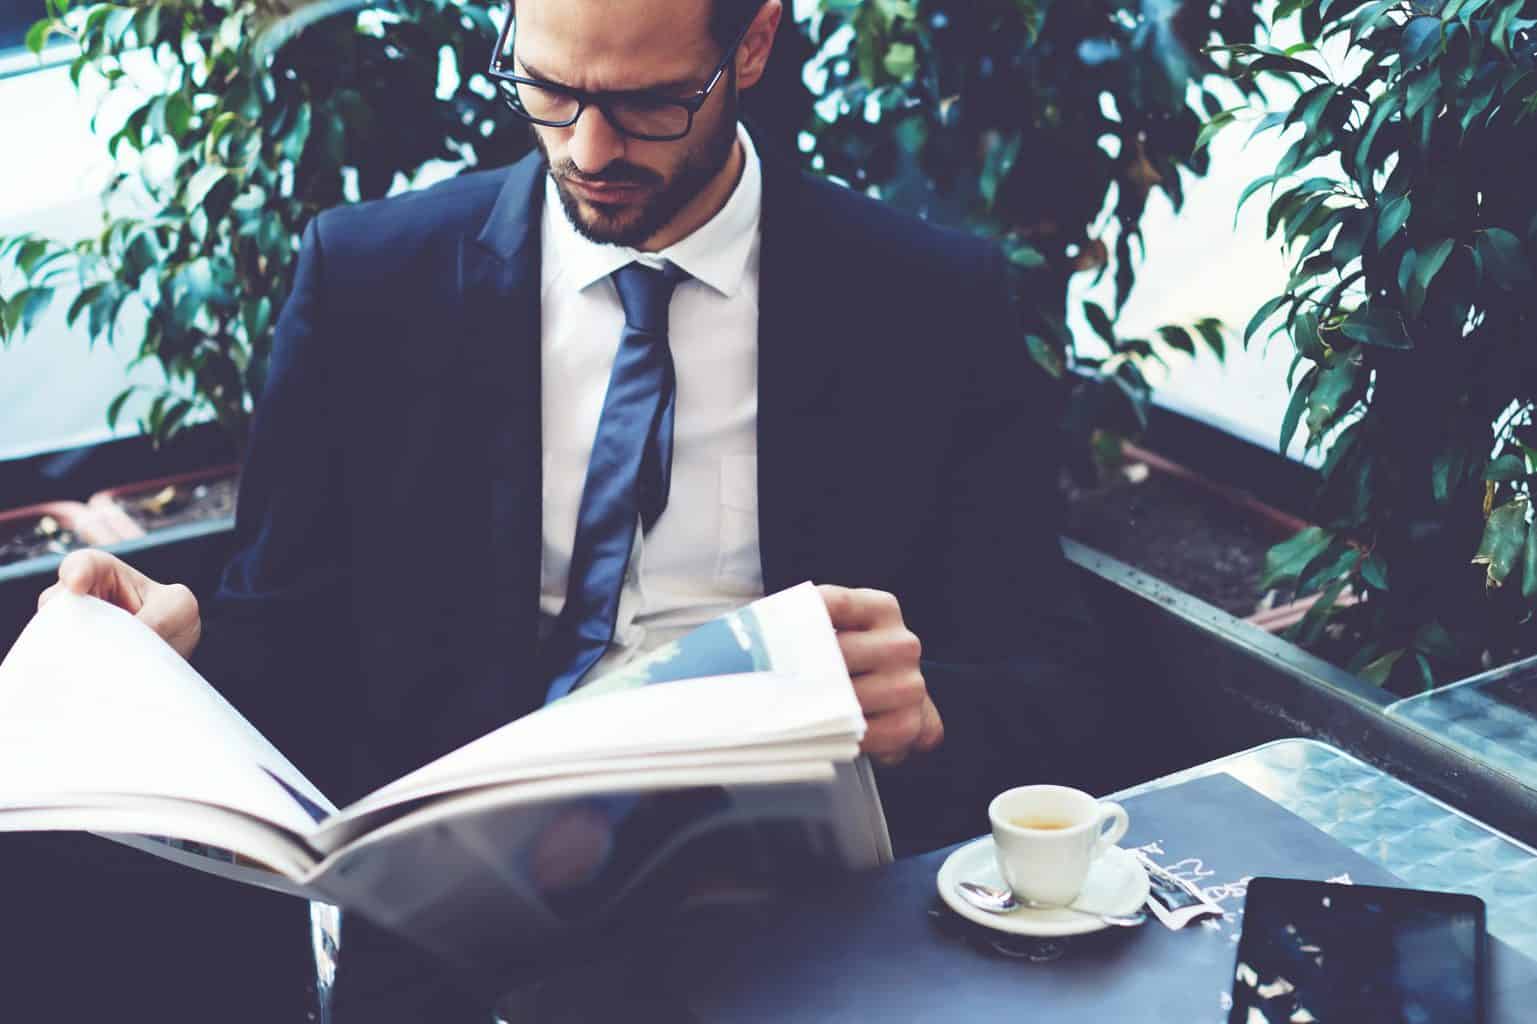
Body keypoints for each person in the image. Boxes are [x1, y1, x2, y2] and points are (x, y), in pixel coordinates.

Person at [39, 0, 1111, 1017]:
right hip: (456, 929)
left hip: (803, 922)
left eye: (648, 103)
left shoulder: (923, 301)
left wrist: (926, 711)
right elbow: (293, 640)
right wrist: (181, 644)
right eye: (547, 88)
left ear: (751, 45)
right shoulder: (371, 281)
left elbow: (1055, 677)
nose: (589, 151)